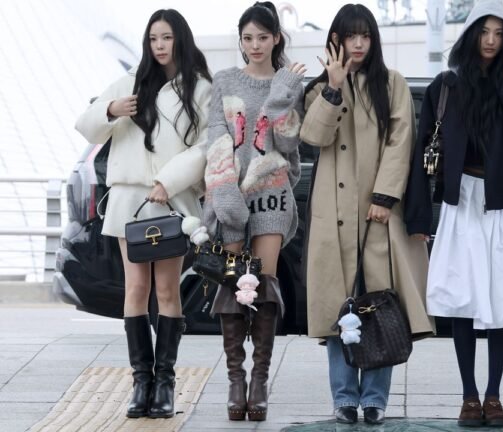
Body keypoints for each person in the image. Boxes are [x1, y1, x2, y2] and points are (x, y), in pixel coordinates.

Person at [404, 0, 503, 427]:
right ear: (471, 33)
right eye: (484, 32)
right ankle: (469, 396)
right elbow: (421, 150)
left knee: (502, 301)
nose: (491, 41)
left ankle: (494, 395)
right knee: (463, 300)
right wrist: (420, 217)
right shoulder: (447, 84)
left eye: (499, 33)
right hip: (462, 202)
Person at [300, 3, 433, 425]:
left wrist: (384, 195)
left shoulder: (390, 83)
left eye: (365, 36)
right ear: (335, 40)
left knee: (380, 306)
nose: (358, 44)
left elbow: (401, 141)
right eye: (349, 36)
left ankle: (374, 398)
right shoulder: (319, 88)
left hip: (378, 213)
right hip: (332, 213)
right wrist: (334, 89)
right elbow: (313, 135)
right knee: (340, 309)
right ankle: (343, 398)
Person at [75, 9, 211, 419]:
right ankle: (142, 382)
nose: (159, 45)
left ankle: (165, 383)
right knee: (135, 289)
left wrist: (168, 181)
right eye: (153, 38)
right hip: (129, 201)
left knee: (167, 291)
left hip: (170, 200)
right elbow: (86, 125)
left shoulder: (200, 89)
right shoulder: (129, 82)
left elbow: (206, 147)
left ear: (180, 39)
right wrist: (112, 109)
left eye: (166, 37)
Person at [202, 1, 304, 422]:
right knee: (233, 283)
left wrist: (282, 93)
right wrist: (224, 194)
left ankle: (259, 380)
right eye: (248, 38)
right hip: (231, 194)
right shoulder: (224, 79)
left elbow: (288, 143)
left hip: (273, 192)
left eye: (263, 37)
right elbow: (216, 137)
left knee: (263, 283)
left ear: (276, 37)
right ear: (240, 40)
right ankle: (235, 379)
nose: (255, 45)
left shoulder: (289, 81)